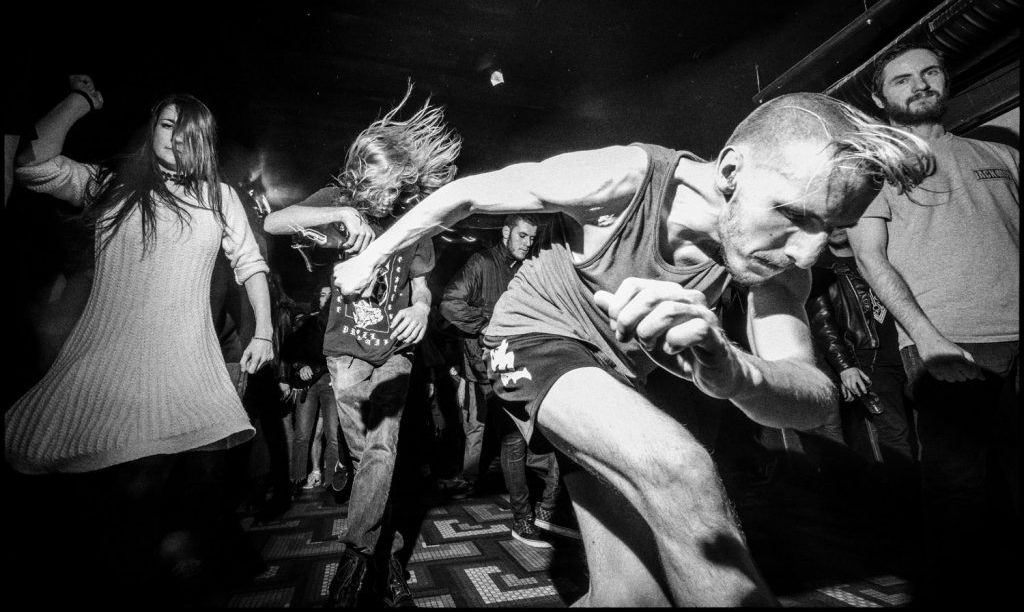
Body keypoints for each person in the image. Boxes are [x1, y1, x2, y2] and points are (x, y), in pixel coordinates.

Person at [332, 91, 934, 606]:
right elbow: (467, 194)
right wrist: (371, 258)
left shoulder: (782, 264)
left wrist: (734, 371)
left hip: (617, 379)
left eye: (830, 229)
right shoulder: (623, 177)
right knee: (681, 469)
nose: (806, 252)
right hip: (534, 340)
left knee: (628, 598)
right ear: (731, 169)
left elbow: (810, 396)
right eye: (795, 215)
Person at [5, 78, 275, 604]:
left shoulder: (219, 197)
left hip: (186, 365)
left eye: (187, 130)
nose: (175, 137)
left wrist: (263, 330)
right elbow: (33, 167)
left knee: (178, 487)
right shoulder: (110, 185)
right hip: (110, 366)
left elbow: (250, 263)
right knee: (121, 493)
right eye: (167, 124)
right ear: (152, 129)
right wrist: (81, 101)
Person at [263, 84, 459, 607]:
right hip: (344, 350)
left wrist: (421, 308)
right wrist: (339, 217)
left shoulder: (412, 219)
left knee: (381, 449)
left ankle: (355, 558)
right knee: (368, 459)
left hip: (395, 350)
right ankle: (388, 554)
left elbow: (423, 282)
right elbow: (273, 222)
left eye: (399, 187)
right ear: (363, 173)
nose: (392, 197)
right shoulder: (339, 201)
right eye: (385, 186)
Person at [848, 43, 1019, 607]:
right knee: (957, 489)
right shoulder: (874, 171)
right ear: (880, 99)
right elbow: (870, 257)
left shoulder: (1001, 154)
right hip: (951, 342)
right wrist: (925, 337)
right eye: (902, 79)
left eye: (929, 72)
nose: (919, 84)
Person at [440, 213, 576, 546]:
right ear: (505, 232)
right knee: (512, 441)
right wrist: (488, 324)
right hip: (493, 366)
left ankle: (547, 510)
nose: (527, 243)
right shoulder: (482, 263)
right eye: (522, 236)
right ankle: (522, 518)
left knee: (553, 438)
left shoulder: (531, 267)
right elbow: (449, 304)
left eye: (532, 238)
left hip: (528, 363)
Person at [806, 229, 916, 508]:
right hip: (868, 362)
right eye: (832, 224)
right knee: (895, 433)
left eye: (845, 221)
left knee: (923, 429)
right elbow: (823, 324)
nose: (838, 228)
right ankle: (905, 505)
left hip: (906, 350)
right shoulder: (821, 270)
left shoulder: (878, 256)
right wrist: (845, 367)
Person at [282, 283, 343, 495]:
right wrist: (300, 366)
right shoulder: (306, 322)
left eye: (330, 294)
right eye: (323, 294)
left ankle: (332, 481)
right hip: (308, 384)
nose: (326, 298)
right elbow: (292, 352)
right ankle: (296, 479)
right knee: (302, 433)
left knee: (332, 434)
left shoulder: (339, 322)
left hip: (330, 381)